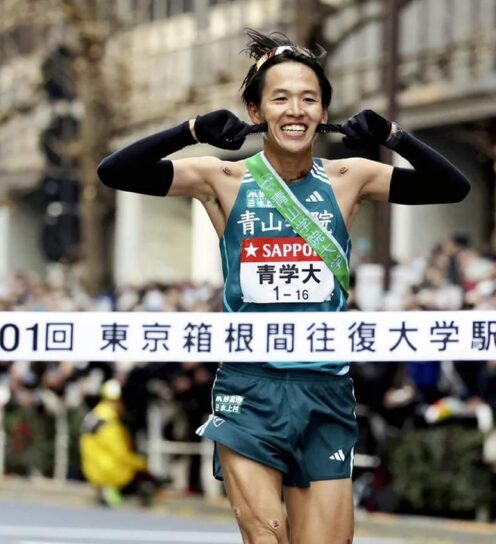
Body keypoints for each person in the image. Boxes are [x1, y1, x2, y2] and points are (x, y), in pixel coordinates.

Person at [98, 29, 469, 544]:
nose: (295, 110)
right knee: (268, 535)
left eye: (309, 99)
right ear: (256, 111)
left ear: (322, 114)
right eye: (280, 98)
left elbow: (453, 188)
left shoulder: (348, 177)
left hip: (325, 388)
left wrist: (393, 136)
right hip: (249, 388)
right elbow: (116, 172)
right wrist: (192, 129)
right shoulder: (221, 179)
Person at [79, 379, 157, 507]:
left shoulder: (93, 417)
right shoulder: (110, 424)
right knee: (146, 478)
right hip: (109, 472)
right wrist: (143, 464)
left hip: (91, 470)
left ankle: (108, 490)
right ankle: (115, 492)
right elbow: (122, 455)